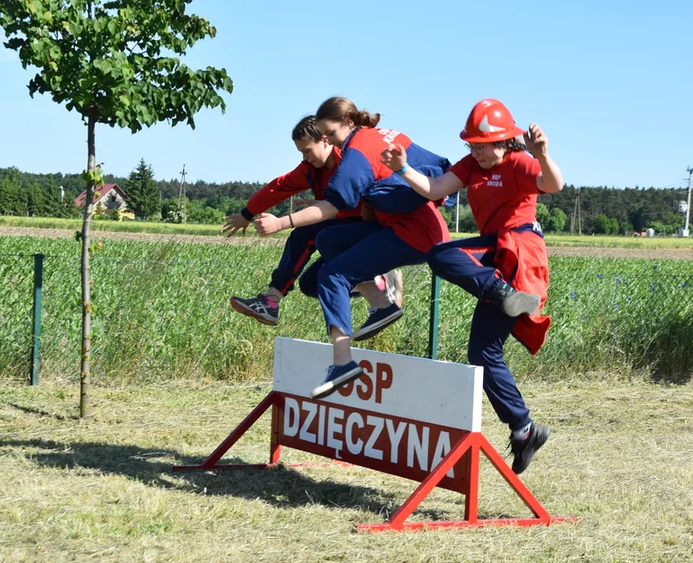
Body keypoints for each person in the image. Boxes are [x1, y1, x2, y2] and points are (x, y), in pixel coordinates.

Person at [380, 99, 564, 474]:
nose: (476, 151)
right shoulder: (471, 166)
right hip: (496, 259)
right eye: (472, 145)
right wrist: (402, 170)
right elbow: (434, 189)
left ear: (504, 141)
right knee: (481, 352)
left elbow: (554, 184)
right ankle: (524, 429)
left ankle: (504, 294)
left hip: (519, 251)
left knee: (440, 255)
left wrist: (542, 154)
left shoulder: (519, 161)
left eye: (483, 144)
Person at [254, 97, 452, 400]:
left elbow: (332, 207)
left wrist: (282, 222)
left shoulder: (356, 154)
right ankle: (382, 303)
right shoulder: (383, 134)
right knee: (327, 241)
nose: (330, 141)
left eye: (330, 134)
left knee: (332, 276)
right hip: (410, 225)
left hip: (415, 232)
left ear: (348, 122)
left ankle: (343, 363)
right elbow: (437, 168)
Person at [226, 115, 402, 326]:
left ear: (325, 140)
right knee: (311, 284)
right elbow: (279, 187)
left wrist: (374, 209)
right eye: (301, 152)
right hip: (346, 230)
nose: (305, 157)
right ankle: (379, 283)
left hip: (377, 231)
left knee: (306, 233)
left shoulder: (351, 160)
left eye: (307, 151)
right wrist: (247, 214)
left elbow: (385, 183)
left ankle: (272, 299)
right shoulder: (311, 170)